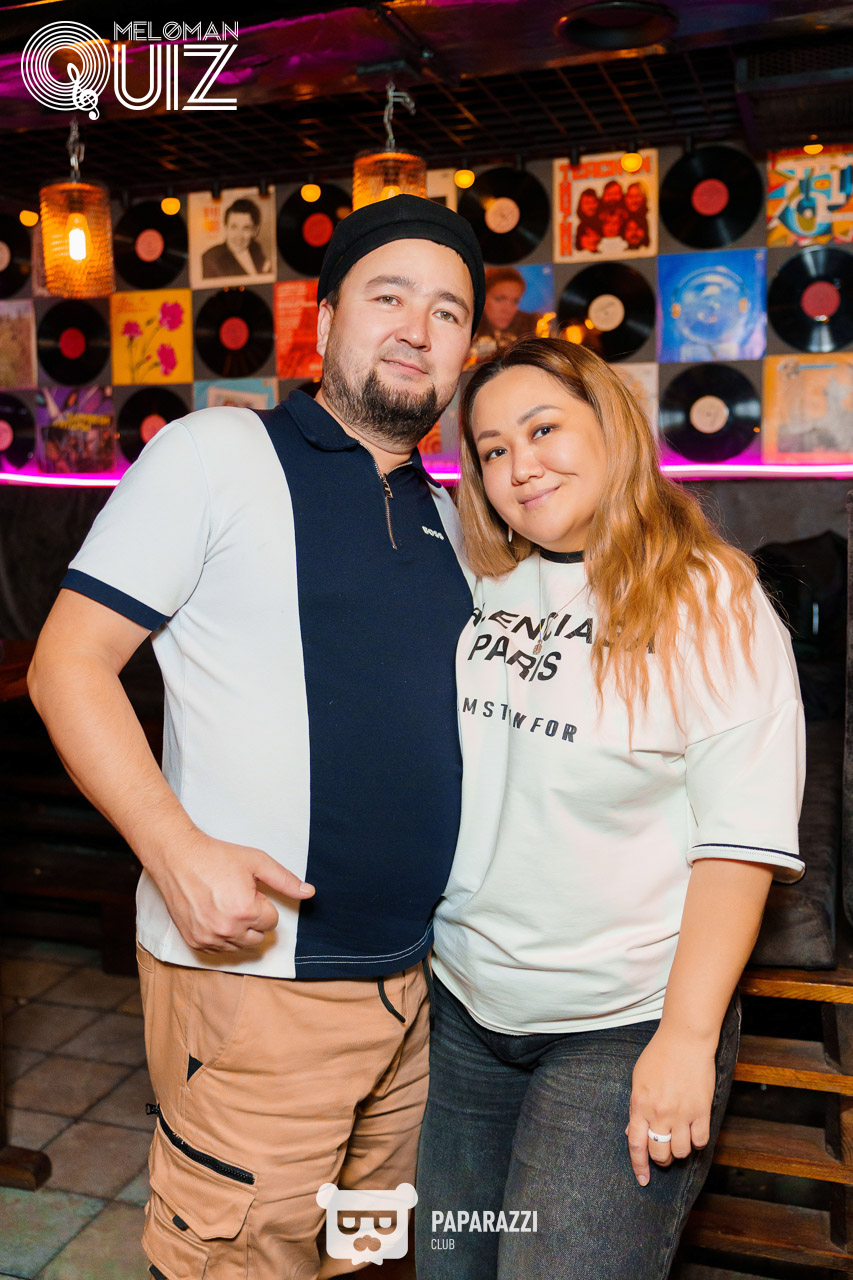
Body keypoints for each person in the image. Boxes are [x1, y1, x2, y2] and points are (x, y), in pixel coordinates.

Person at [27, 194, 485, 1280]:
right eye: (388, 296)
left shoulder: (453, 516)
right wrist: (175, 851)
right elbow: (66, 665)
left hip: (420, 990)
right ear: (322, 319)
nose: (417, 329)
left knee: (368, 1255)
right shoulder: (215, 452)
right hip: (259, 984)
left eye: (448, 311)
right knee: (235, 1261)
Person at [415, 337, 805, 1279]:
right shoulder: (481, 579)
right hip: (465, 1006)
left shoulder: (709, 599)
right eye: (493, 449)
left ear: (613, 427)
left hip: (620, 1024)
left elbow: (739, 845)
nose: (519, 466)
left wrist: (686, 1041)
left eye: (543, 429)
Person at [468, 267, 542, 366]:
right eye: (499, 299)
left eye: (515, 301)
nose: (508, 310)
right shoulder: (467, 330)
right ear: (482, 299)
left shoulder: (533, 330)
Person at [201, 196, 272, 277]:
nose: (239, 236)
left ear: (255, 231)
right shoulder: (211, 257)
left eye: (246, 228)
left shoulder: (256, 248)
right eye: (234, 227)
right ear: (226, 228)